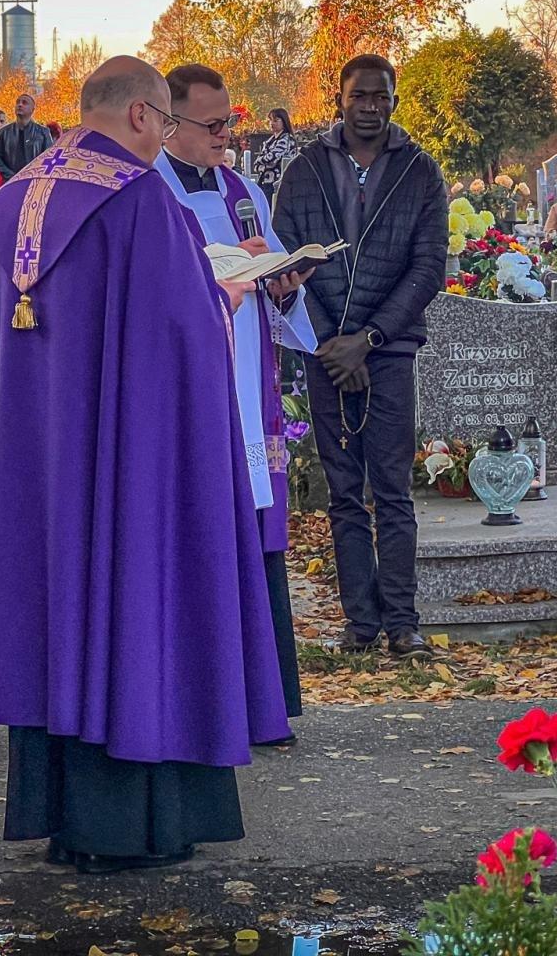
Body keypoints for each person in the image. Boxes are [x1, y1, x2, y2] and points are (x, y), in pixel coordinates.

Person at [0, 56, 290, 874]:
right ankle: (131, 823)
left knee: (56, 598)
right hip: (130, 465)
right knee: (136, 591)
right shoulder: (138, 200)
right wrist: (226, 298)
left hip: (43, 469)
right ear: (142, 115)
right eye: (167, 122)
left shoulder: (16, 194)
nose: (165, 137)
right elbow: (184, 332)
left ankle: (61, 815)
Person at [155, 63, 317, 731]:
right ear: (169, 124)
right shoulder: (147, 193)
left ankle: (261, 704)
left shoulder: (244, 190)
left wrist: (283, 285)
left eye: (231, 122)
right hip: (185, 388)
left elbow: (272, 286)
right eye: (214, 124)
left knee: (251, 531)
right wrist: (217, 274)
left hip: (247, 380)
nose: (227, 135)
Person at [272, 54, 447, 658]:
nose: (370, 107)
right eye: (359, 96)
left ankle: (402, 622)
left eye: (381, 96)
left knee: (392, 490)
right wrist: (330, 343)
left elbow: (428, 266)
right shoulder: (304, 170)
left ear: (394, 100)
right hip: (325, 351)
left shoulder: (419, 170)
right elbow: (287, 258)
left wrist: (368, 339)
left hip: (388, 350)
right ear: (339, 99)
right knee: (344, 493)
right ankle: (360, 623)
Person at [0, 92, 54, 177]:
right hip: (10, 181)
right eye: (18, 102)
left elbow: (49, 158)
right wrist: (12, 176)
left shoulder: (43, 132)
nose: (20, 105)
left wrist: (34, 175)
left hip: (34, 180)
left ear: (32, 109)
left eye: (24, 102)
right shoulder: (3, 132)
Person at [256, 107, 296, 197]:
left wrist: (261, 162)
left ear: (284, 121)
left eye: (275, 120)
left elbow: (272, 158)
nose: (272, 123)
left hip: (278, 184)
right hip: (265, 181)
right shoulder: (270, 141)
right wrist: (261, 163)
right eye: (270, 120)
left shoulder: (287, 139)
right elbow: (258, 162)